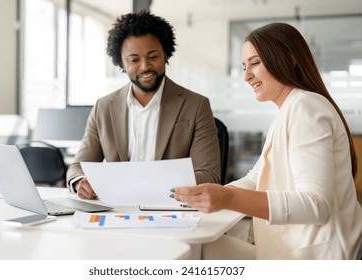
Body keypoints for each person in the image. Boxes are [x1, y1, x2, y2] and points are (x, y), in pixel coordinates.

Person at [171, 22, 362, 260]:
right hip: (294, 249)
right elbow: (255, 178)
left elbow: (315, 204)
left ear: (289, 59)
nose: (246, 76)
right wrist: (207, 195)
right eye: (244, 66)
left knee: (198, 251)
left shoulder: (306, 107)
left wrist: (228, 198)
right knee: (201, 247)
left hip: (315, 258)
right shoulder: (289, 110)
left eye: (255, 63)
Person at [66, 10, 220, 199]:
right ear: (121, 63)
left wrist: (143, 187)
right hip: (116, 209)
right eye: (134, 60)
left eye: (153, 57)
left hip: (170, 209)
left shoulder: (196, 105)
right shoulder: (104, 107)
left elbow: (209, 175)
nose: (145, 66)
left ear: (165, 55)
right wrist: (81, 182)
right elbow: (77, 167)